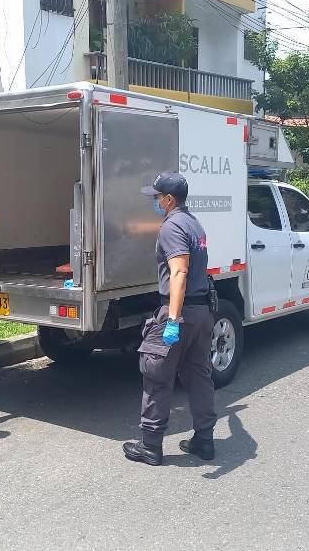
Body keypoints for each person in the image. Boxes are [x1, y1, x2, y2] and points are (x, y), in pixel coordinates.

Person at [123, 172, 217, 466]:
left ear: (169, 199)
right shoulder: (194, 223)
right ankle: (204, 440)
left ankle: (150, 446)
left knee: (157, 376)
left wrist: (173, 320)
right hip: (202, 313)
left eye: (157, 196)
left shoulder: (172, 227)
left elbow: (179, 272)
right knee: (199, 375)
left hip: (180, 312)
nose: (155, 200)